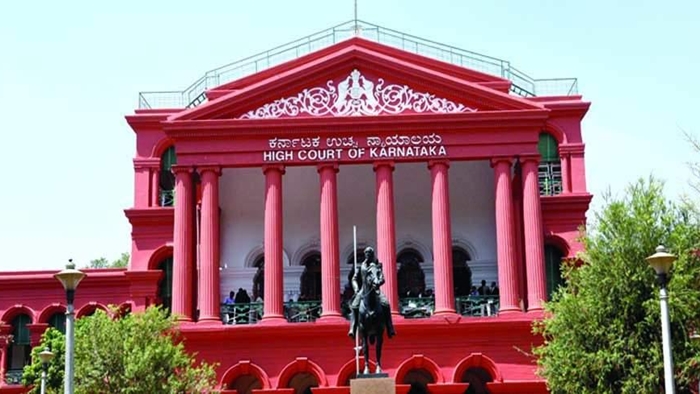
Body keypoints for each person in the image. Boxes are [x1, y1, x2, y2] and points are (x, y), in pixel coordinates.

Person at [348, 246, 396, 339]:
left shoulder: (377, 266)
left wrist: (378, 282)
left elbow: (382, 279)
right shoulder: (361, 266)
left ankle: (390, 327)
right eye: (366, 253)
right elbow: (354, 279)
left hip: (376, 289)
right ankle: (352, 328)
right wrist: (356, 289)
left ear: (372, 255)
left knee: (386, 304)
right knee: (354, 306)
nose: (368, 255)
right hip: (363, 290)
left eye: (370, 253)